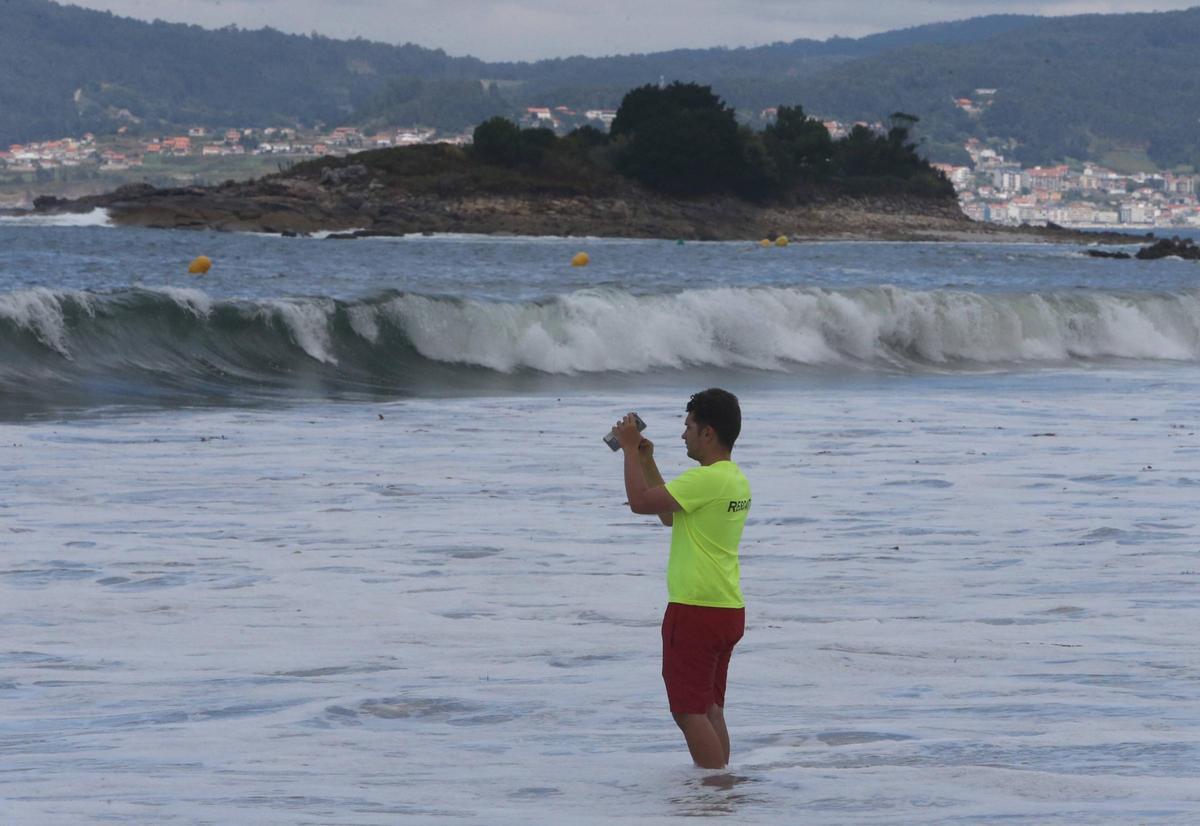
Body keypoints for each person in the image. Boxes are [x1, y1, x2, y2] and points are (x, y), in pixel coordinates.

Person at [613, 388, 750, 770]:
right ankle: (722, 791)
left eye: (688, 426)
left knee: (688, 712)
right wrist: (646, 462)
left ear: (708, 433)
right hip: (726, 607)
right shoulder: (733, 480)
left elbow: (640, 503)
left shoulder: (705, 481)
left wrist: (626, 450)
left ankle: (713, 792)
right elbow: (669, 515)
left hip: (696, 609)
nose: (683, 434)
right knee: (709, 708)